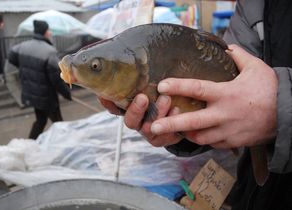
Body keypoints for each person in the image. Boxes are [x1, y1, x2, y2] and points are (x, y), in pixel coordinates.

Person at [99, 0, 292, 209]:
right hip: (257, 193)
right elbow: (226, 84)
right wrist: (182, 131)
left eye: (95, 66)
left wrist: (279, 109)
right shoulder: (254, 5)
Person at [8, 20, 72, 139]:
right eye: (49, 30)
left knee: (41, 120)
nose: (50, 33)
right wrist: (67, 93)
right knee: (58, 122)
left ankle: (30, 143)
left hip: (32, 93)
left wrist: (24, 67)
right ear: (45, 32)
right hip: (47, 96)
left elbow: (11, 56)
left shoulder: (22, 46)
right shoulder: (49, 51)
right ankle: (65, 142)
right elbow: (57, 79)